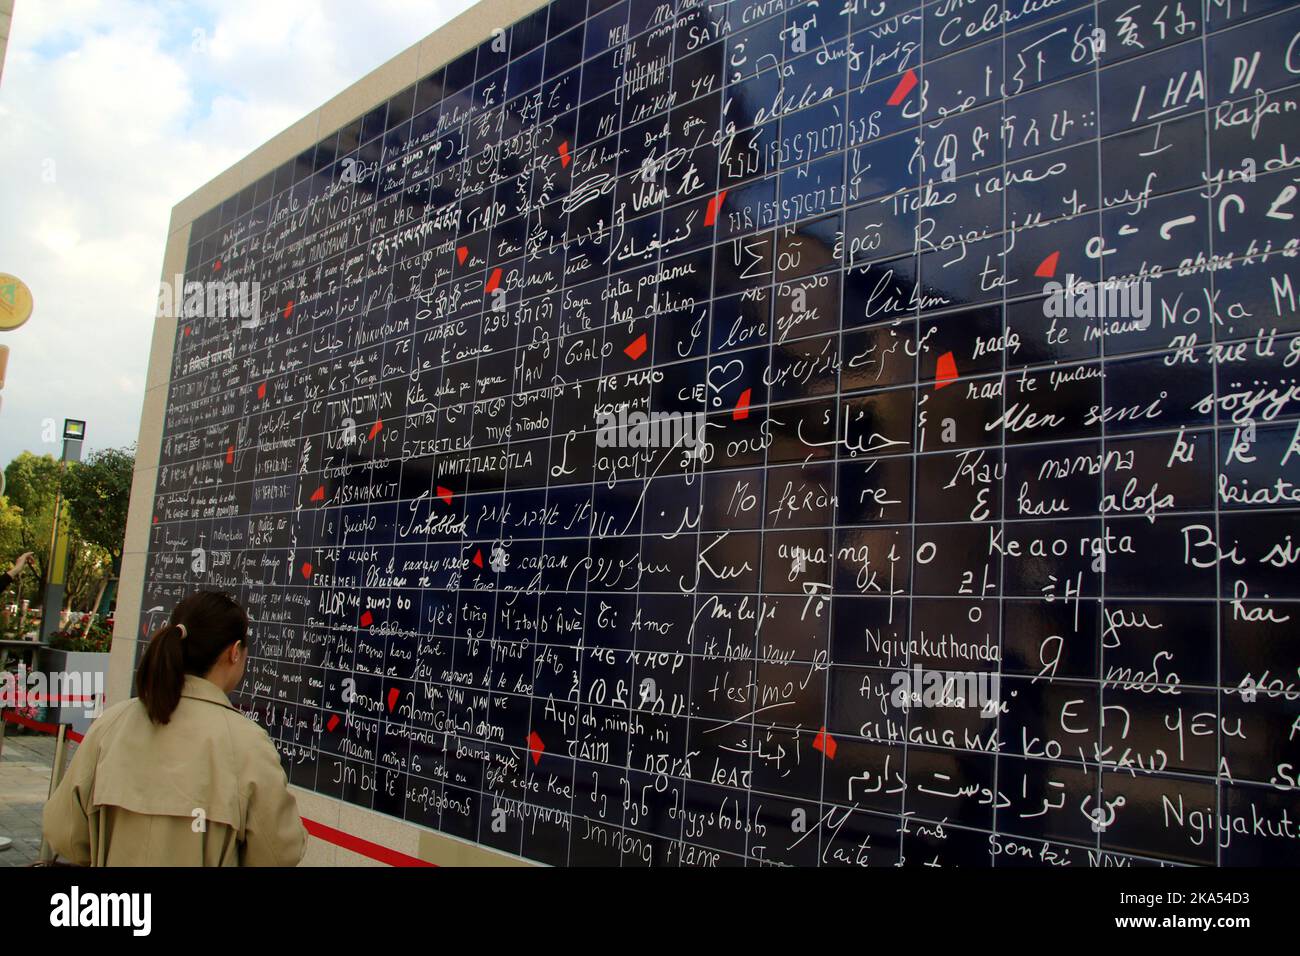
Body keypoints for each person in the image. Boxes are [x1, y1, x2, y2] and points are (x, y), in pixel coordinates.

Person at [42, 590, 308, 865]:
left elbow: (63, 833)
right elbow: (279, 853)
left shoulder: (112, 724)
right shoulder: (248, 744)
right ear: (234, 652)